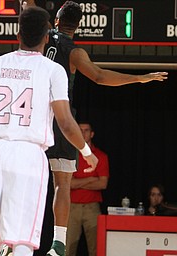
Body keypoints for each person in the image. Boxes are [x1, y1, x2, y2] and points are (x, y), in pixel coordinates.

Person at [22, 1, 168, 255]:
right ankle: (58, 244)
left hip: (30, 115)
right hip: (59, 117)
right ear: (78, 26)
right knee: (62, 184)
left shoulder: (42, 33)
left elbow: (29, 7)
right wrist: (138, 78)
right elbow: (100, 77)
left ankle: (18, 237)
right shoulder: (75, 52)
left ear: (56, 20)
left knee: (25, 179)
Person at [0, 6, 98, 256]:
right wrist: (86, 150)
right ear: (47, 36)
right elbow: (66, 124)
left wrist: (0, 120)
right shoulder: (52, 69)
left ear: (18, 35)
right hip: (26, 154)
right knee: (23, 239)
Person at [66, 122, 109, 256]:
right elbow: (68, 184)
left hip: (92, 207)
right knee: (68, 247)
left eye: (86, 130)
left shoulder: (101, 156)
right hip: (72, 207)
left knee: (96, 248)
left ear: (92, 134)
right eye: (80, 130)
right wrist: (91, 179)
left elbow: (102, 184)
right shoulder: (71, 155)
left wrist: (78, 182)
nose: (83, 133)